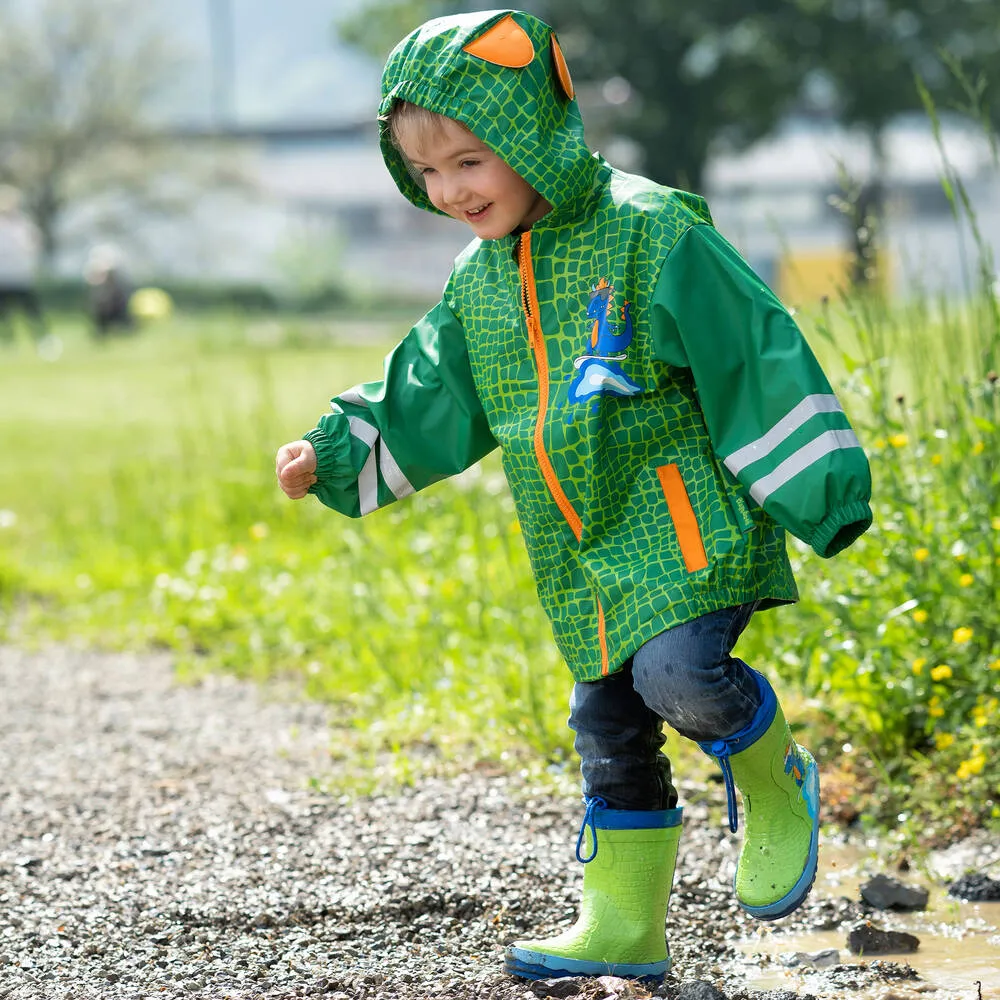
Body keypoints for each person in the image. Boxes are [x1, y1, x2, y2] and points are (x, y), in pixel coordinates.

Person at [276, 10, 872, 984]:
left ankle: (770, 771)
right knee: (607, 727)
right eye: (425, 173)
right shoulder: (480, 282)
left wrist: (817, 480)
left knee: (677, 678)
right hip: (583, 554)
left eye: (469, 161)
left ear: (530, 135)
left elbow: (750, 352)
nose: (449, 192)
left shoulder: (649, 233)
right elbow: (427, 391)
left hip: (681, 527)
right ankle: (623, 921)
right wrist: (335, 452)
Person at [0, 186, 47, 346]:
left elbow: (35, 245)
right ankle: (7, 341)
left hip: (21, 275)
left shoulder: (24, 224)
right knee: (3, 314)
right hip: (3, 276)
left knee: (32, 311)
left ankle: (41, 338)